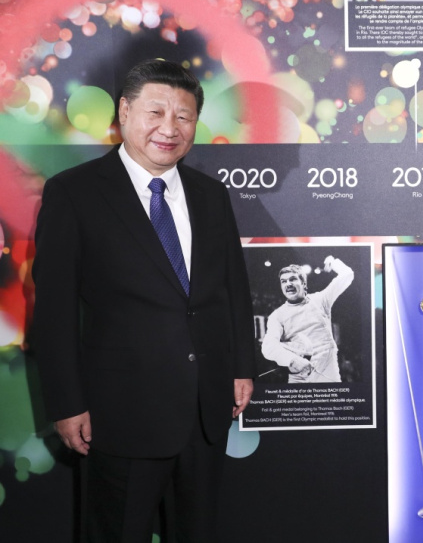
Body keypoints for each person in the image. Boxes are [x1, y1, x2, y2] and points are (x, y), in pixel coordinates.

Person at [31, 59, 256, 542]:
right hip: (120, 416)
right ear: (125, 112)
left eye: (184, 116)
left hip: (205, 410)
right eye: (156, 113)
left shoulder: (211, 196)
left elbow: (232, 288)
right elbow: (52, 312)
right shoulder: (75, 194)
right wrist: (67, 403)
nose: (169, 129)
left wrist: (241, 366)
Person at [261, 256, 354, 383]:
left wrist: (333, 263)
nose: (288, 284)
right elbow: (268, 346)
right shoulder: (277, 315)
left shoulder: (321, 300)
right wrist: (292, 360)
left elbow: (347, 274)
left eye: (293, 279)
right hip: (298, 376)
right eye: (284, 281)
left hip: (327, 374)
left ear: (304, 284)